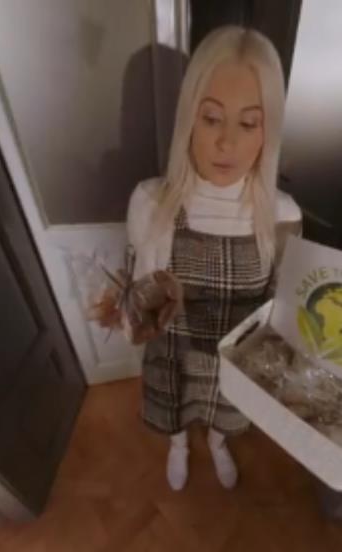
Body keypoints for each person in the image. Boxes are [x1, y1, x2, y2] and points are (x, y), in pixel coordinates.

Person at [126, 25, 302, 491]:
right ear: (189, 118)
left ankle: (218, 443)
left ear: (267, 131)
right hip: (175, 356)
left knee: (226, 414)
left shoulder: (283, 215)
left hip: (236, 365)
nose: (227, 143)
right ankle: (179, 445)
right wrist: (129, 311)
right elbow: (141, 301)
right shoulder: (151, 202)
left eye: (248, 123)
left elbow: (279, 310)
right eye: (211, 119)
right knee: (178, 409)